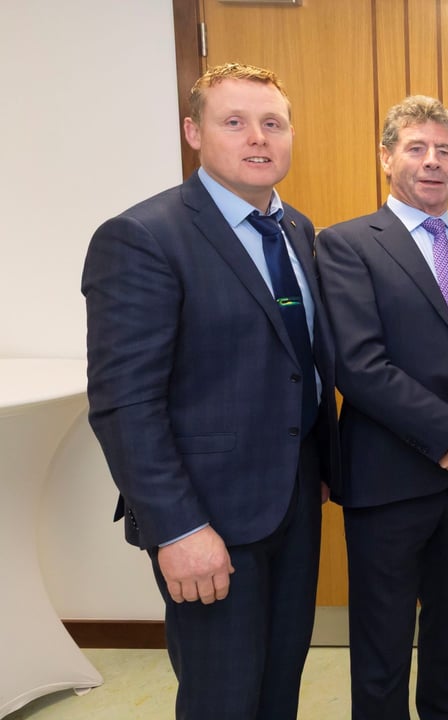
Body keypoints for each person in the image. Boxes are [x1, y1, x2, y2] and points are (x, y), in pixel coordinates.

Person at [82, 63, 337, 720]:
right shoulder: (144, 237)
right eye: (235, 122)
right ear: (194, 132)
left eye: (272, 123)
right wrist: (179, 528)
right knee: (222, 698)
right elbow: (124, 402)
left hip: (293, 502)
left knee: (280, 687)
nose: (258, 138)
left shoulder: (298, 231)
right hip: (209, 517)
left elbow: (299, 362)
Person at [316, 95, 448, 720]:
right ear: (386, 158)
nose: (432, 162)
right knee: (383, 651)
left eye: (444, 150)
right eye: (416, 148)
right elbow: (357, 365)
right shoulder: (348, 245)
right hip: (390, 480)